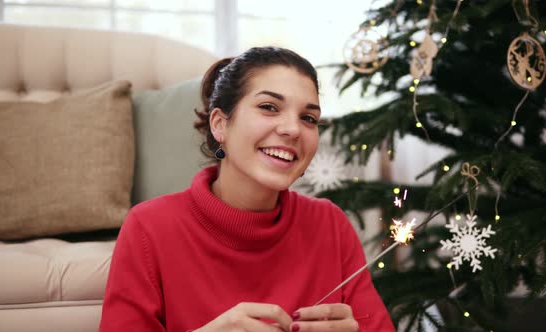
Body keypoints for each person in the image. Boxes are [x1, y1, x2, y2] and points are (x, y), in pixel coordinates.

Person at [99, 46, 395, 332]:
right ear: (219, 125)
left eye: (308, 118)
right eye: (269, 107)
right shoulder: (149, 228)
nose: (293, 129)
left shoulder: (330, 224)